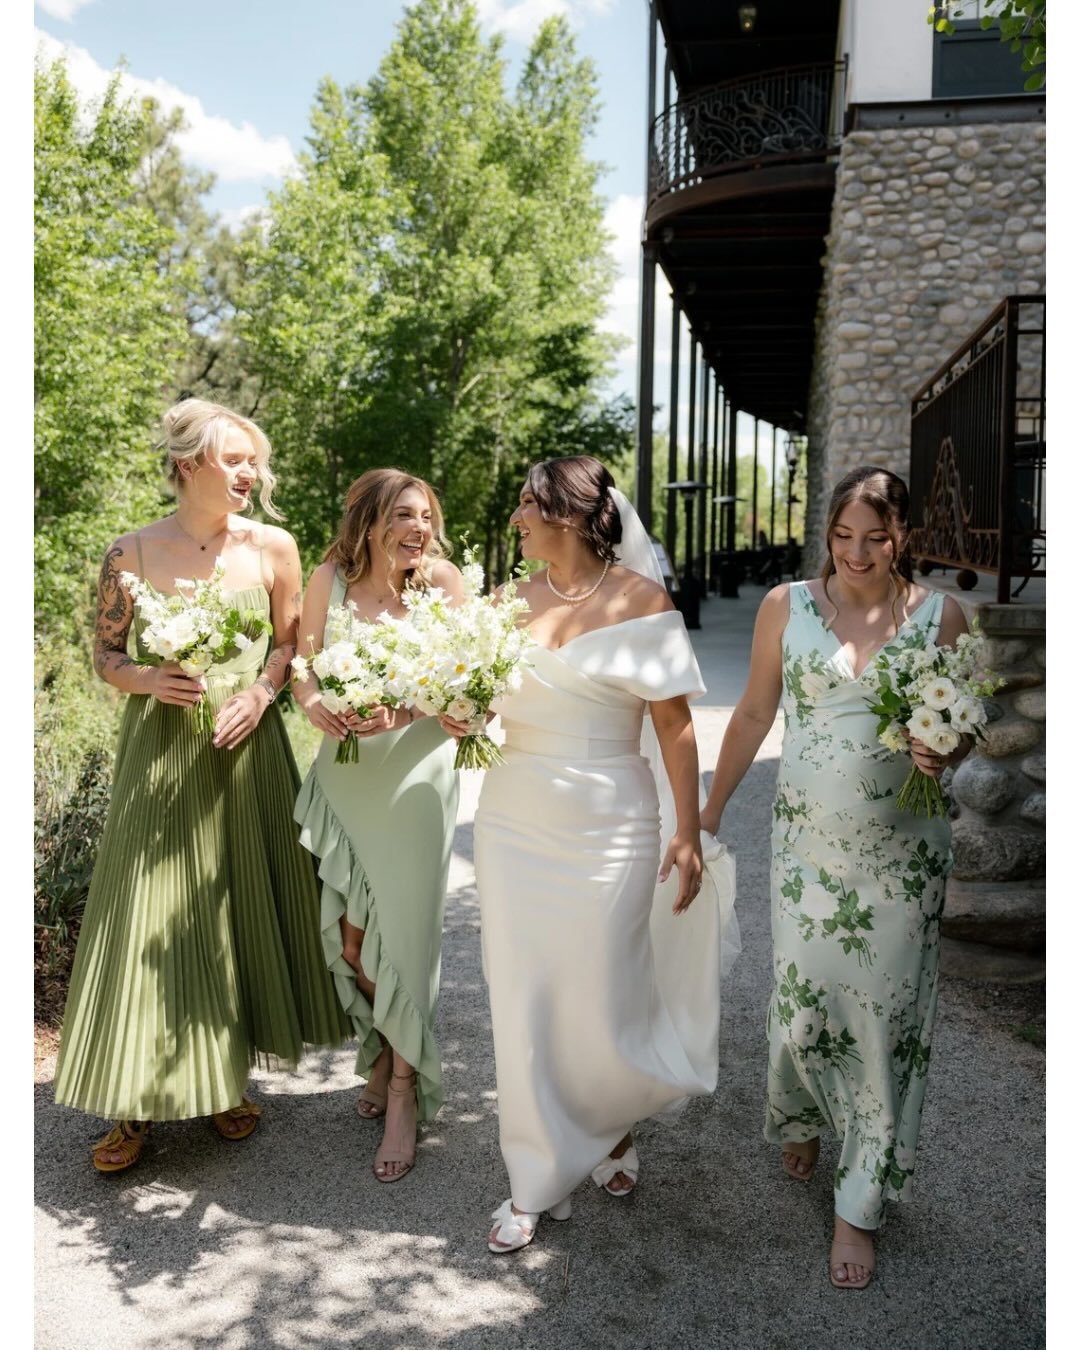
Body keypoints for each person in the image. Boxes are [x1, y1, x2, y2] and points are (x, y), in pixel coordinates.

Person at [442, 455, 737, 1253]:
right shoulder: (503, 605)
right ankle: (534, 1175)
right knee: (523, 990)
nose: (515, 520)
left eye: (526, 507)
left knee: (602, 987)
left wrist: (686, 830)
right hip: (513, 821)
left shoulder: (640, 599)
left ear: (568, 515)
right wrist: (457, 714)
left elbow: (674, 725)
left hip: (614, 820)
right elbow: (472, 707)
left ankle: (608, 1126)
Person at [54, 398, 349, 1172]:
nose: (251, 473)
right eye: (236, 460)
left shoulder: (275, 548)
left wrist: (260, 693)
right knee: (146, 914)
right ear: (190, 465)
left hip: (247, 758)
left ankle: (224, 1082)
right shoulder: (130, 553)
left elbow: (290, 648)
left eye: (256, 461)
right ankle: (131, 1102)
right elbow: (106, 657)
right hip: (162, 757)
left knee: (233, 906)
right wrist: (151, 677)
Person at [700, 465, 970, 1290]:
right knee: (804, 1002)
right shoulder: (787, 606)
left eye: (877, 536)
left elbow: (957, 728)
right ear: (828, 533)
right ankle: (805, 1109)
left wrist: (945, 749)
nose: (858, 551)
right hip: (808, 852)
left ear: (904, 538)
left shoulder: (941, 617)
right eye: (844, 535)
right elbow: (753, 711)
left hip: (904, 855)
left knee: (884, 1018)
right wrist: (706, 816)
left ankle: (859, 1202)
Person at [292, 469, 463, 1183]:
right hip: (346, 773)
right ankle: (386, 1047)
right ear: (367, 520)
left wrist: (405, 712)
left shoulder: (444, 584)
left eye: (424, 515)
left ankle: (401, 1091)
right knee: (356, 945)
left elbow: (462, 681)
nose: (417, 528)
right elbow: (301, 664)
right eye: (401, 515)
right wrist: (309, 704)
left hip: (416, 776)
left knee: (406, 938)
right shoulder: (327, 577)